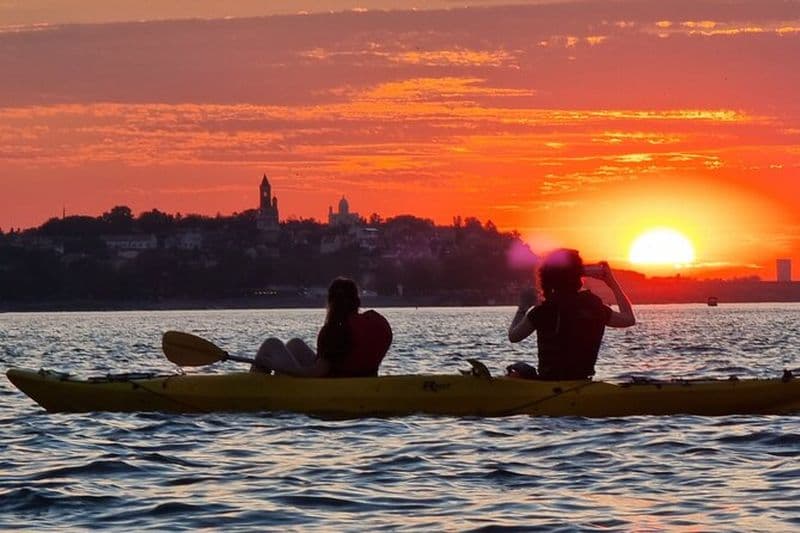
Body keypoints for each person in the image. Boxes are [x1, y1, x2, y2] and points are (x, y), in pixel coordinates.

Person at [507, 248, 635, 380]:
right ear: (578, 276)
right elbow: (629, 319)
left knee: (517, 369)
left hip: (550, 381)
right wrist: (612, 283)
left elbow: (514, 336)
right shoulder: (593, 305)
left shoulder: (543, 310)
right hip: (581, 380)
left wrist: (522, 308)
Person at [251, 278, 392, 377]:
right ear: (357, 301)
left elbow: (318, 372)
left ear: (331, 302)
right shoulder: (376, 321)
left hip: (331, 384)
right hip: (362, 379)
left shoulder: (335, 330)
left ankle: (253, 387)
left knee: (271, 344)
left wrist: (280, 366)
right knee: (295, 345)